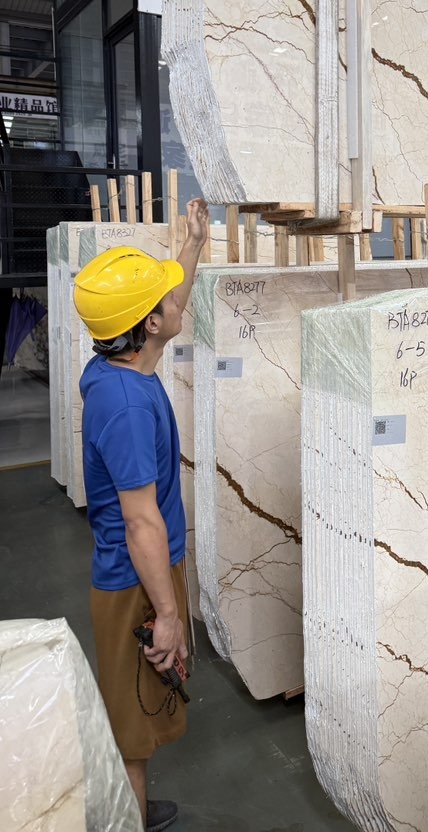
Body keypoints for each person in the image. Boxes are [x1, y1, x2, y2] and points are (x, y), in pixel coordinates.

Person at [73, 198, 209, 832]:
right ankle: (131, 820)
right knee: (132, 731)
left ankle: (137, 810)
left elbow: (169, 299)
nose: (177, 302)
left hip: (142, 573)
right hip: (137, 581)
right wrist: (171, 615)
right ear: (151, 325)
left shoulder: (116, 366)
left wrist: (194, 245)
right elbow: (141, 524)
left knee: (141, 716)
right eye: (164, 300)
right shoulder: (127, 408)